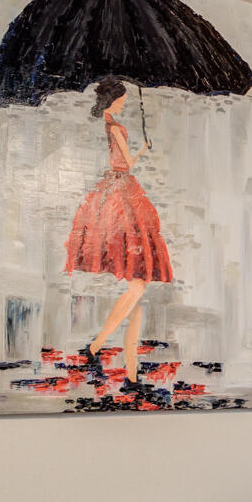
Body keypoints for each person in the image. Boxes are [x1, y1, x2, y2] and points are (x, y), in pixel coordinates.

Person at [63, 77, 173, 384]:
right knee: (138, 285)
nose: (124, 102)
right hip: (123, 192)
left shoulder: (109, 123)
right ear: (113, 98)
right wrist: (143, 149)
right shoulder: (113, 126)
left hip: (117, 190)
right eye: (122, 98)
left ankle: (132, 375)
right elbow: (126, 162)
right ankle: (95, 346)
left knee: (138, 291)